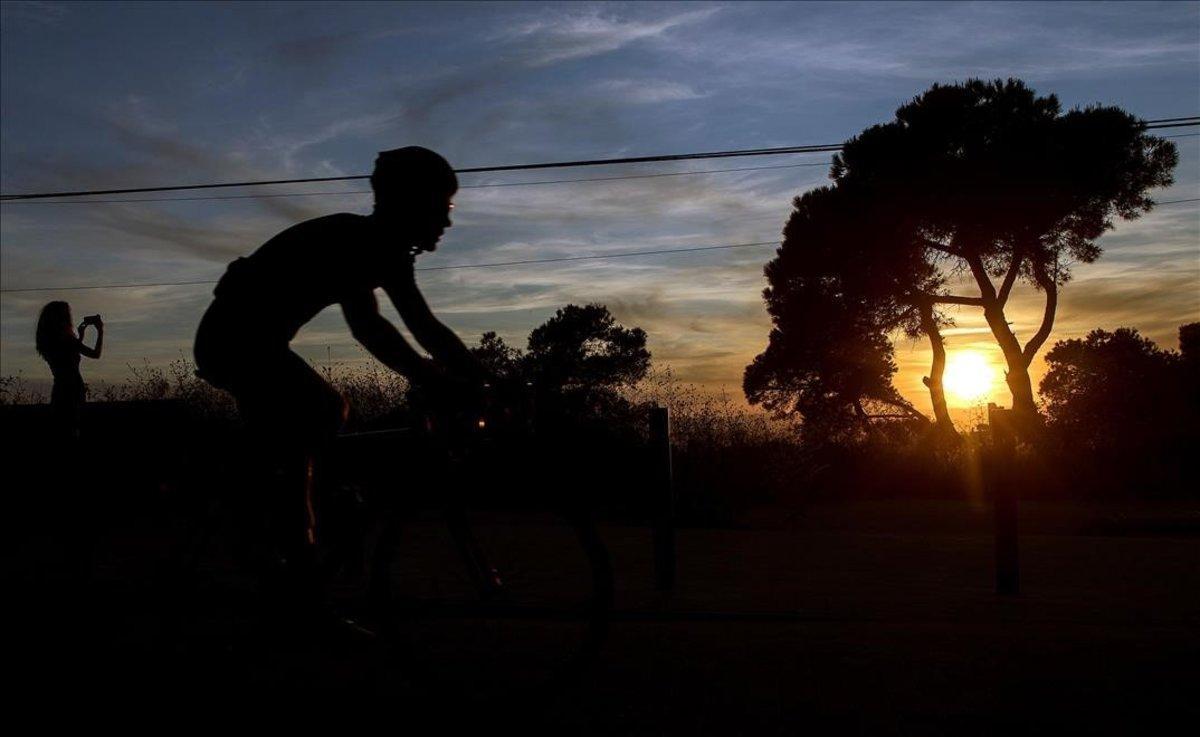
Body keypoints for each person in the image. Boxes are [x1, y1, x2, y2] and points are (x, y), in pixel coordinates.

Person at [193, 146, 485, 625]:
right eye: (443, 208)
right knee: (322, 409)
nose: (448, 222)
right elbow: (371, 329)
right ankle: (296, 577)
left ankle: (293, 525)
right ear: (412, 203)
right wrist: (439, 377)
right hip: (233, 341)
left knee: (323, 421)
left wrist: (477, 376)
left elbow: (423, 326)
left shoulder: (385, 250)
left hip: (250, 340)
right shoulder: (359, 241)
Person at [36, 301, 103, 440]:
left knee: (63, 429)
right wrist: (100, 331)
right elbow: (95, 354)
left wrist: (80, 337)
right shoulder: (68, 341)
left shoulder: (48, 342)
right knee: (73, 428)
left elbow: (66, 355)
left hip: (61, 389)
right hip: (72, 389)